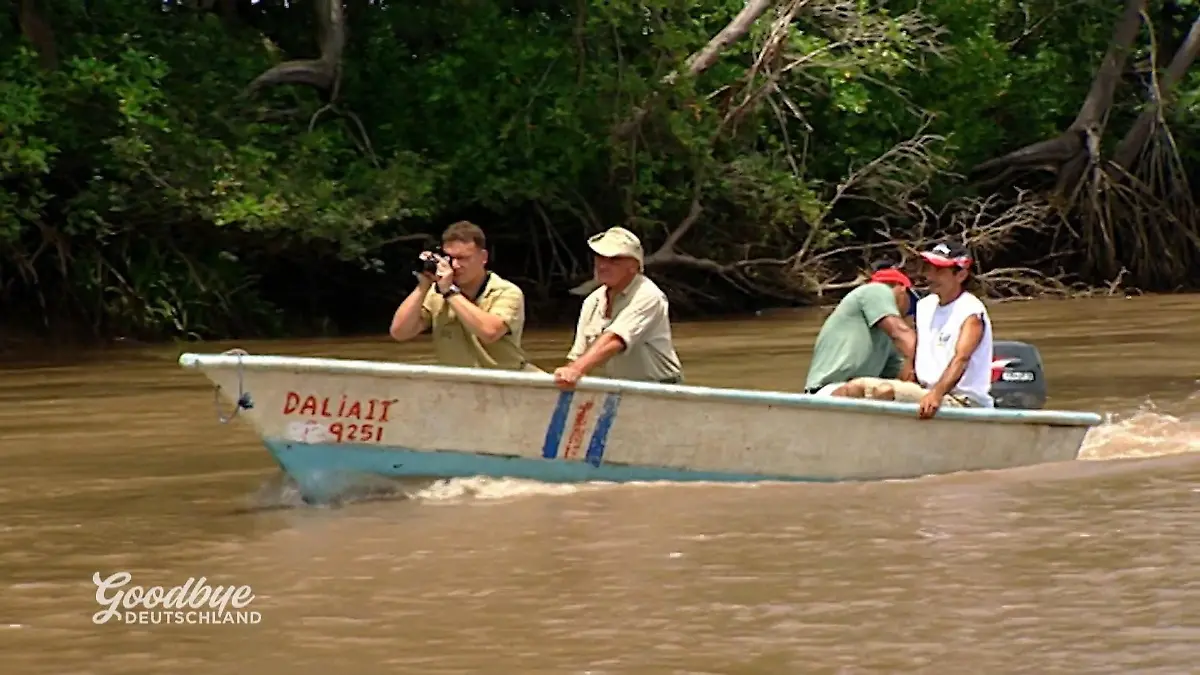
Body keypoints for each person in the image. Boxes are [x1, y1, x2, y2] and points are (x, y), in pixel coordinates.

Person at [840, 241, 995, 418]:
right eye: (929, 268)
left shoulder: (971, 312)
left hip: (962, 401)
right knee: (851, 388)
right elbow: (915, 357)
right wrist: (905, 385)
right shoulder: (925, 306)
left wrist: (936, 394)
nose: (930, 276)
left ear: (961, 275)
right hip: (926, 392)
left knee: (877, 390)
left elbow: (961, 359)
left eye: (939, 270)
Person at [388, 221, 537, 371]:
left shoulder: (507, 291)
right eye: (450, 258)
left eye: (463, 258)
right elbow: (400, 333)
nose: (455, 265)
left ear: (483, 257)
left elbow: (490, 332)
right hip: (459, 381)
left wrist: (450, 292)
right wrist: (423, 286)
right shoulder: (436, 293)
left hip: (506, 378)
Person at [553, 227, 684, 390]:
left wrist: (576, 370)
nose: (603, 266)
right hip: (620, 388)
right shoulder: (592, 301)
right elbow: (578, 355)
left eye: (614, 260)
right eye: (600, 258)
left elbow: (615, 340)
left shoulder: (648, 295)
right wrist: (567, 374)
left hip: (660, 387)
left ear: (634, 265)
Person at [803, 262, 920, 396]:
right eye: (912, 306)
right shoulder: (875, 290)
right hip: (827, 390)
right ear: (902, 289)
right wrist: (921, 357)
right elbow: (902, 334)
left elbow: (900, 375)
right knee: (876, 389)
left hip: (862, 391)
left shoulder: (886, 339)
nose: (909, 314)